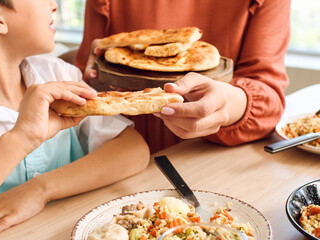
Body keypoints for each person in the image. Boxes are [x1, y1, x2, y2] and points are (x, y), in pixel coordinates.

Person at [0, 0, 150, 238]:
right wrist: (22, 137)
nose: (53, 5)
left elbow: (134, 150)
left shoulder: (58, 75)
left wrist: (39, 190)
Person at [74, 0, 290, 153]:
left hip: (211, 155)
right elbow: (84, 75)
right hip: (119, 149)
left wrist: (226, 104)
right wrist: (99, 72)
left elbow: (268, 99)